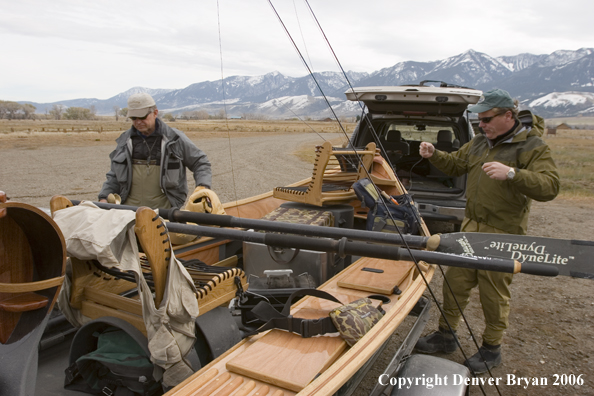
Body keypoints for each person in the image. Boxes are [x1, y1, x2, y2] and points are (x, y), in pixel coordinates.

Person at [414, 89, 560, 373]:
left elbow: (550, 186)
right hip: (470, 226)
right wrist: (435, 155)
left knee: (493, 293)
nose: (481, 124)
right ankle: (446, 335)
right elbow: (457, 164)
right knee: (455, 282)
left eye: (487, 118)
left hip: (503, 233)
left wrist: (514, 174)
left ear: (508, 115)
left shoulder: (532, 146)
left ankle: (492, 349)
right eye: (478, 119)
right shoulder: (480, 142)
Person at [98, 93, 211, 209]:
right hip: (129, 213)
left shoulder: (174, 139)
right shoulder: (124, 142)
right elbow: (114, 176)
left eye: (142, 117)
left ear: (155, 113)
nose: (138, 122)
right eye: (133, 118)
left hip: (165, 213)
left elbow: (200, 162)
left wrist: (203, 188)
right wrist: (104, 197)